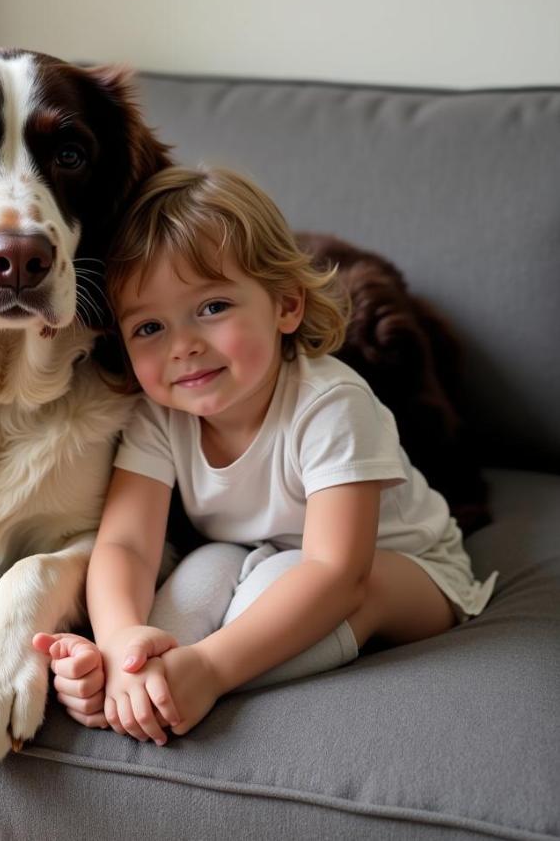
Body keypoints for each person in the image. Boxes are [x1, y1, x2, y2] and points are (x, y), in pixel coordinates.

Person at [33, 166, 497, 747]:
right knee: (203, 571)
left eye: (212, 307)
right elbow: (125, 544)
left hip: (401, 571)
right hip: (260, 554)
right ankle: (134, 685)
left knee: (302, 582)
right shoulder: (160, 414)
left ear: (286, 305)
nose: (184, 346)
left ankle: (187, 678)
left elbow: (336, 573)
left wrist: (213, 668)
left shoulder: (331, 404)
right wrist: (120, 638)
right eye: (149, 326)